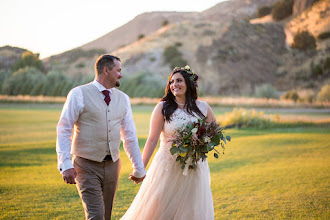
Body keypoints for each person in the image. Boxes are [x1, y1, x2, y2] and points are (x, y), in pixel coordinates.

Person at [56, 54, 146, 220]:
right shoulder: (78, 94)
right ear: (106, 70)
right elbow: (64, 128)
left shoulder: (123, 98)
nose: (121, 74)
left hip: (113, 165)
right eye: (118, 70)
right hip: (86, 165)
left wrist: (139, 168)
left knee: (106, 215)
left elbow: (129, 136)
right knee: (96, 215)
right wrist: (65, 163)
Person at [121, 65, 215, 220]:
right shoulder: (163, 108)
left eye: (179, 81)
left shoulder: (203, 108)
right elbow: (152, 140)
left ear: (189, 84)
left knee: (191, 208)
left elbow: (213, 134)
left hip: (194, 167)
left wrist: (200, 144)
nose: (174, 85)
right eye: (171, 82)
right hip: (166, 167)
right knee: (160, 209)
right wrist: (140, 168)